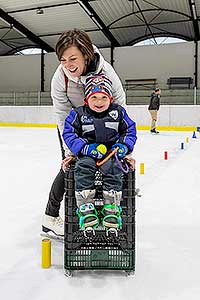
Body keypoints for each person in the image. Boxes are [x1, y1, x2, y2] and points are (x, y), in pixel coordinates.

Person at [42, 29, 128, 237]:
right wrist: (69, 151)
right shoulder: (59, 79)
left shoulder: (106, 73)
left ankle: (106, 212)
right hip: (74, 128)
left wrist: (123, 146)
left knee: (109, 165)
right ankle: (51, 217)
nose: (68, 65)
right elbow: (62, 116)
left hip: (105, 126)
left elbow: (120, 109)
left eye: (73, 58)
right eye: (63, 60)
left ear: (86, 54)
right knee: (70, 167)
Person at [62, 74, 137, 236]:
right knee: (83, 167)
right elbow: (69, 133)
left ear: (110, 98)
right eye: (94, 97)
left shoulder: (118, 112)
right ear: (86, 99)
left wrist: (124, 146)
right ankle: (86, 207)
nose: (99, 102)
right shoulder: (78, 114)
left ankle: (111, 207)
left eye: (103, 97)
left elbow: (129, 131)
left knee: (113, 168)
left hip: (111, 154)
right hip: (87, 153)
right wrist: (84, 148)